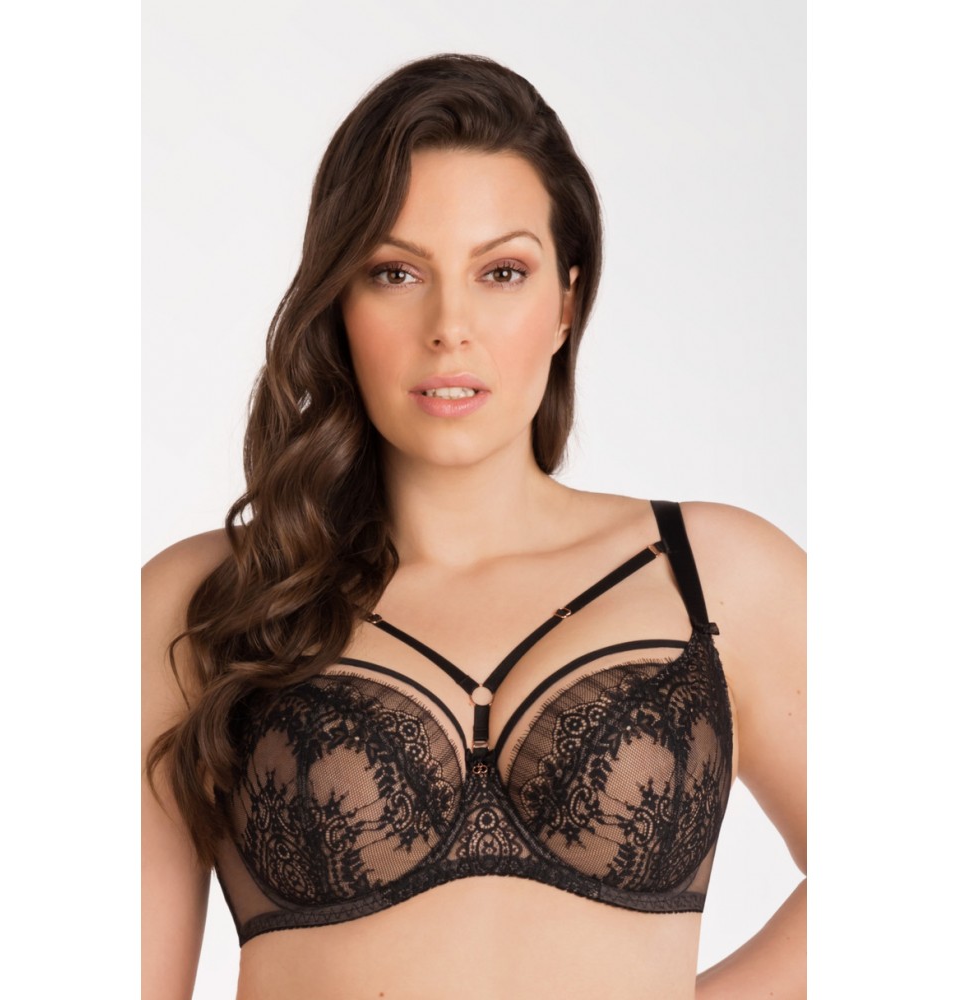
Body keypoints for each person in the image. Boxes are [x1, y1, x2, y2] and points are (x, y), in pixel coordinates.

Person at [142, 54, 805, 1000]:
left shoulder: (716, 574)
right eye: (395, 272)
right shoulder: (203, 602)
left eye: (501, 272)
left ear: (566, 300)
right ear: (339, 301)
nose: (449, 325)